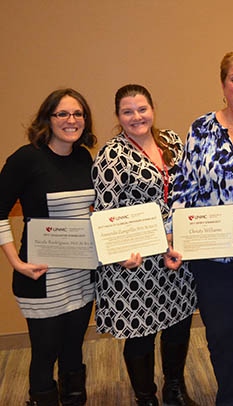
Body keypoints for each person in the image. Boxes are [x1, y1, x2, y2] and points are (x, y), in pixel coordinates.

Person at [169, 50, 233, 405]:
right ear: (223, 84)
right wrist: (174, 234)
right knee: (223, 339)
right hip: (214, 258)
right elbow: (184, 186)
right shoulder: (201, 128)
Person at [92, 84, 198, 406]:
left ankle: (174, 389)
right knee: (141, 332)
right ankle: (146, 397)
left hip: (175, 256)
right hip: (135, 263)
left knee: (179, 326)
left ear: (152, 109)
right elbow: (104, 213)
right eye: (127, 111)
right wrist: (119, 253)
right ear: (117, 116)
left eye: (142, 109)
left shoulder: (172, 142)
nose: (136, 117)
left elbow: (187, 192)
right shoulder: (112, 155)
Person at [0, 88, 96, 406]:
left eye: (78, 114)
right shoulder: (27, 159)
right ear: (48, 118)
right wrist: (16, 262)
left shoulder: (84, 158)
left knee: (73, 350)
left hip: (81, 276)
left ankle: (74, 398)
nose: (71, 120)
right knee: (45, 354)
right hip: (41, 278)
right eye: (63, 114)